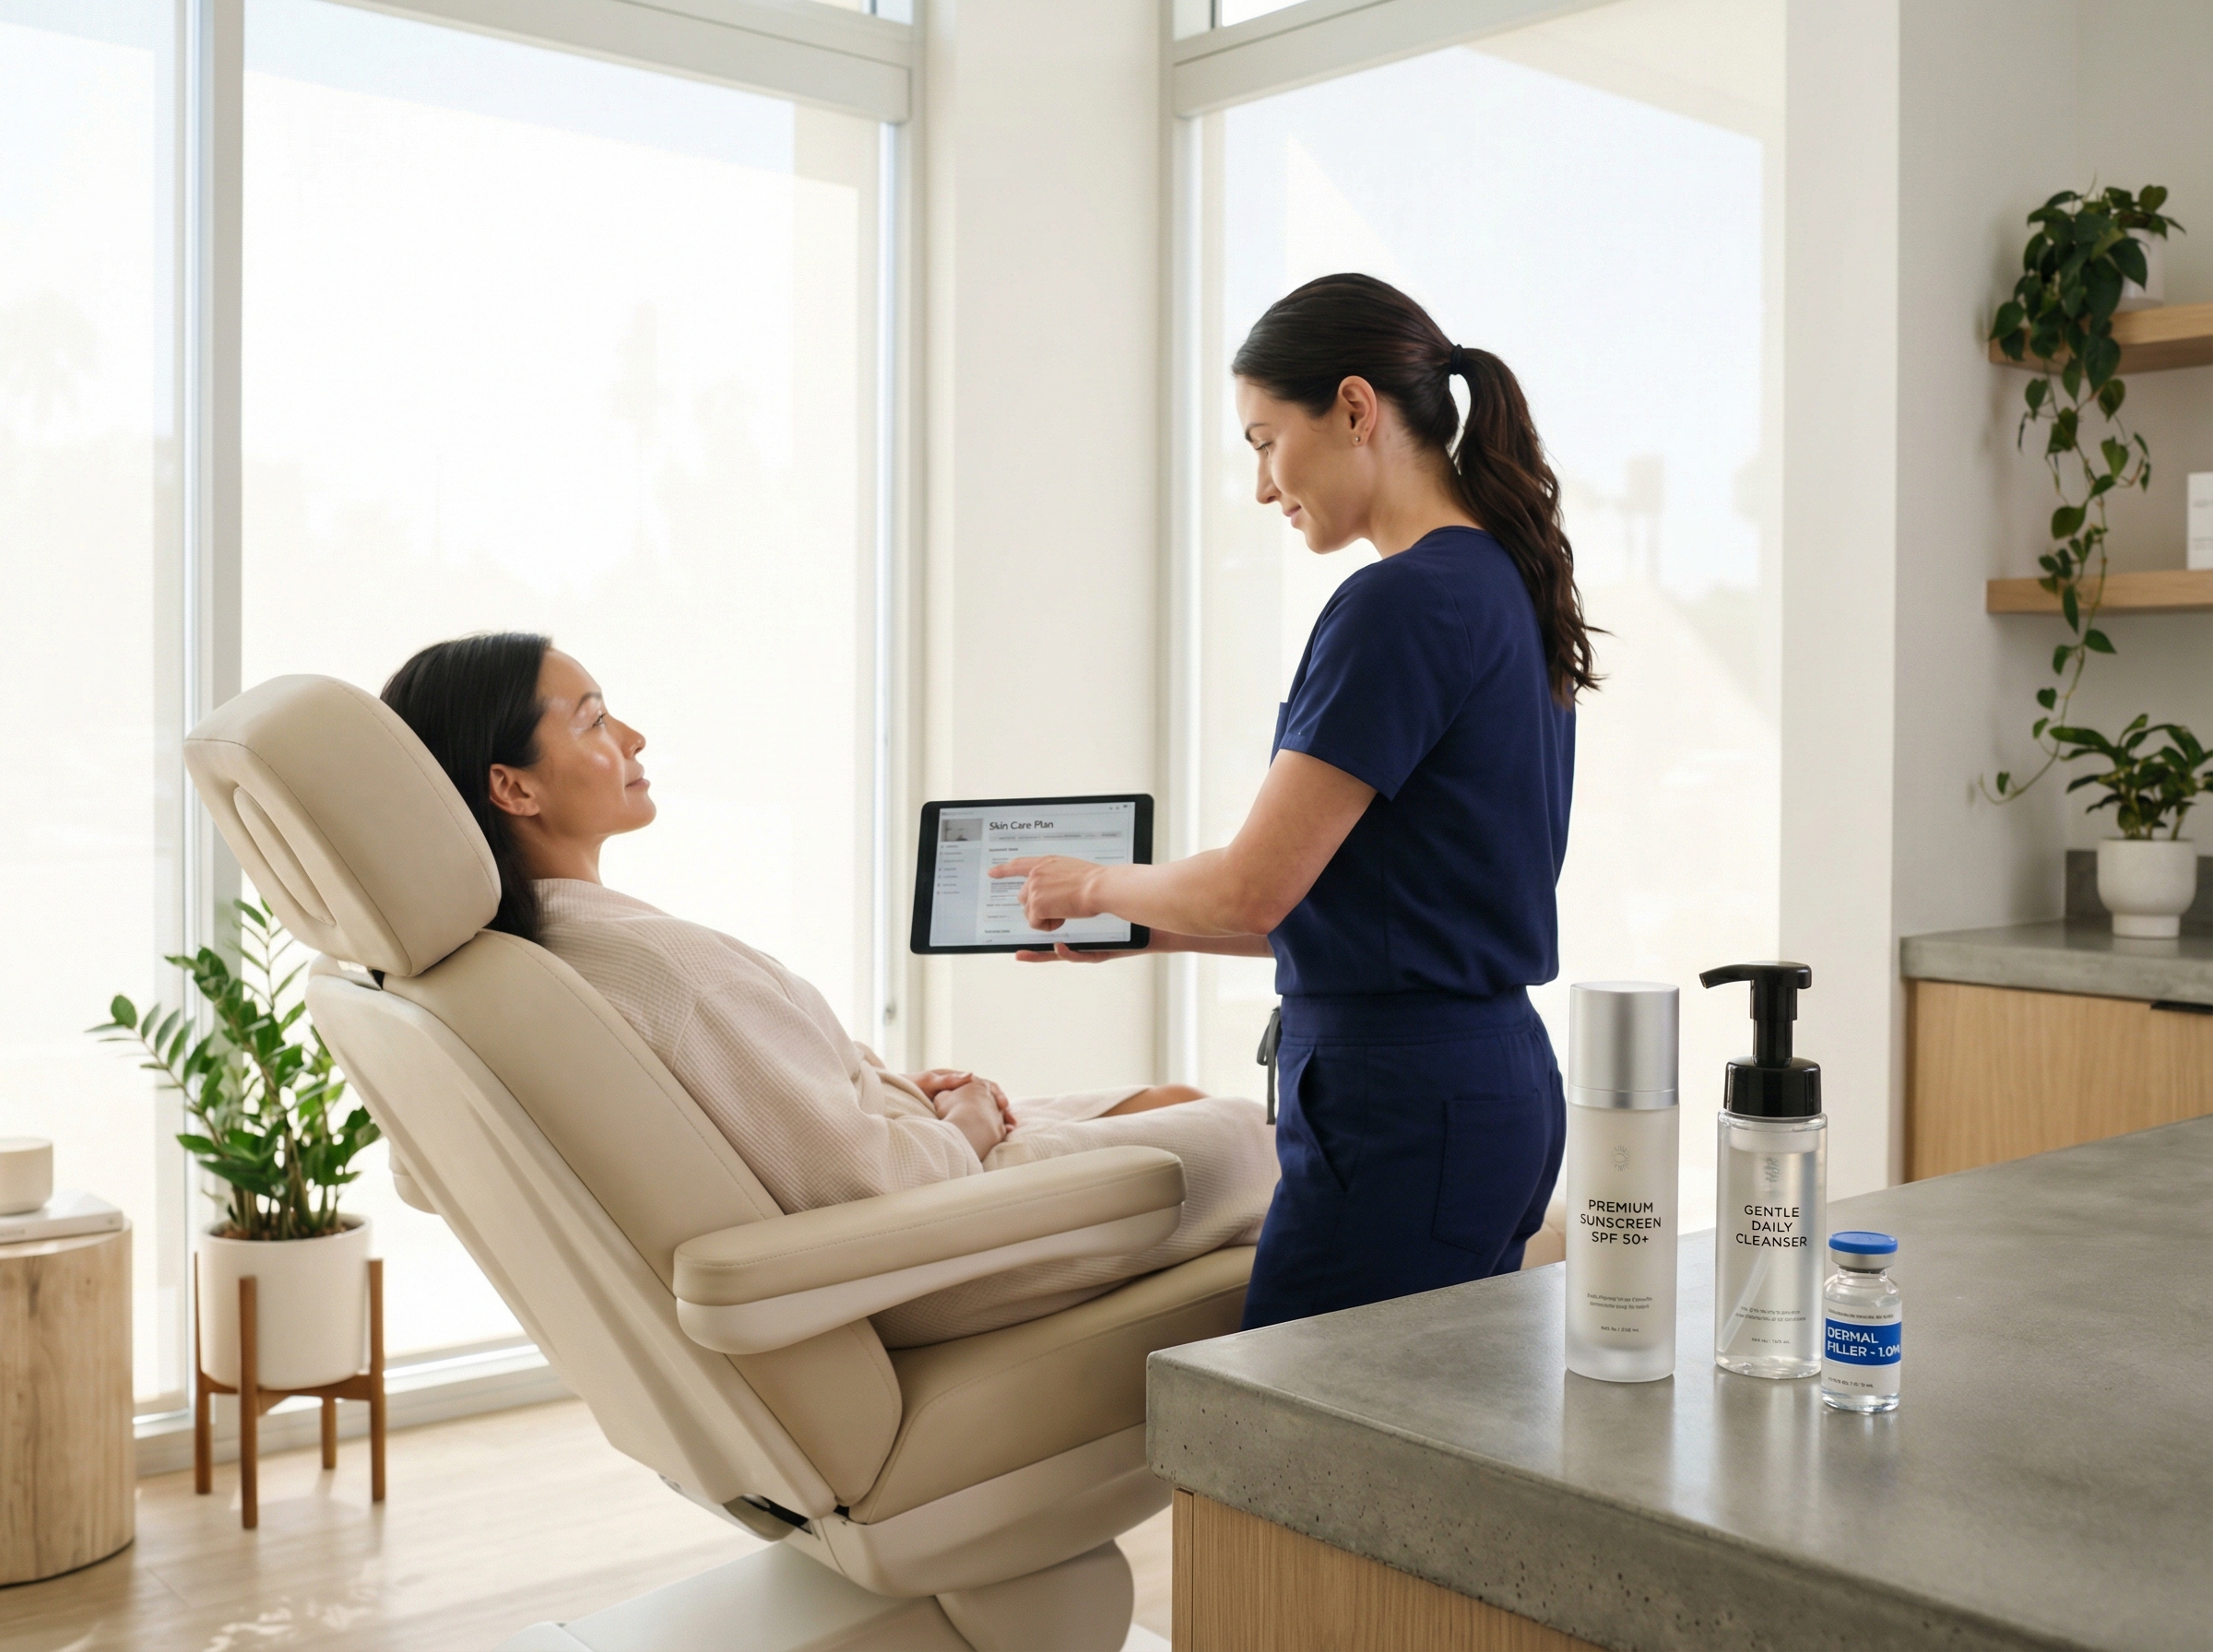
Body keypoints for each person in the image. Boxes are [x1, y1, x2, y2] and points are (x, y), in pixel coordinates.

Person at [380, 633, 1276, 1348]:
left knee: (1172, 1100)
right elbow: (865, 1189)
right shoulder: (661, 973)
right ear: (512, 785)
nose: (633, 738)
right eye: (594, 721)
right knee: (1252, 1138)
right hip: (916, 1244)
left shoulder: (539, 952)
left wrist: (891, 1093)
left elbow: (782, 1116)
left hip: (892, 1160)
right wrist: (963, 1116)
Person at [1000, 273, 1593, 1329]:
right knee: (1415, 1452)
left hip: (1401, 1108)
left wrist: (1090, 879)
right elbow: (1386, 911)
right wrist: (1149, 927)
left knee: (1296, 1463)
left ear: (1357, 409)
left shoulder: (1398, 602)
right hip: (1487, 1085)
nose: (1264, 484)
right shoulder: (1501, 586)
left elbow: (1254, 884)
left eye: (1266, 440)